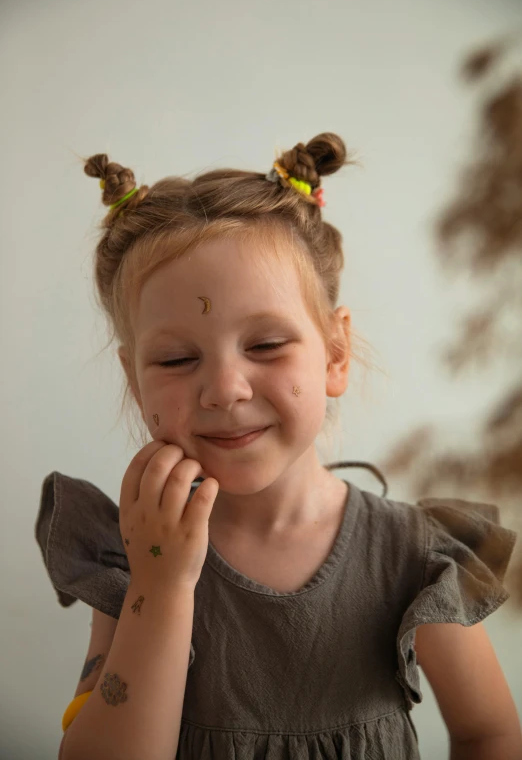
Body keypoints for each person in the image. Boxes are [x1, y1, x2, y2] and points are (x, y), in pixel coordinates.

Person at [35, 133, 521, 759]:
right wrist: (162, 583)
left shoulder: (414, 555)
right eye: (178, 359)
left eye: (265, 346)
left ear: (335, 355)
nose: (225, 390)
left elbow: (489, 733)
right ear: (134, 381)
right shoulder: (134, 553)